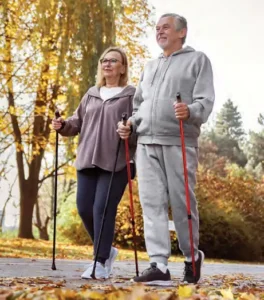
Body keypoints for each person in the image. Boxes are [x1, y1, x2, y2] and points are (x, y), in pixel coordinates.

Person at [117, 13, 215, 285]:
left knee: (182, 202)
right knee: (152, 204)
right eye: (157, 28)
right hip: (147, 142)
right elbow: (139, 106)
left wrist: (191, 110)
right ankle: (158, 265)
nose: (159, 32)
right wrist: (131, 126)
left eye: (166, 27)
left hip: (178, 140)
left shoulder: (198, 60)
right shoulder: (149, 66)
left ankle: (191, 256)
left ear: (182, 32)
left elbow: (205, 100)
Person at [52, 46, 136, 279]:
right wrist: (63, 126)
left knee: (102, 209)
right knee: (84, 208)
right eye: (104, 60)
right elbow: (76, 121)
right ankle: (107, 250)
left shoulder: (131, 95)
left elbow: (138, 125)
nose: (107, 64)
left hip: (116, 162)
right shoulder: (92, 93)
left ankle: (99, 262)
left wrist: (131, 131)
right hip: (87, 160)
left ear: (122, 67)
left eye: (113, 60)